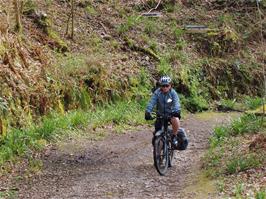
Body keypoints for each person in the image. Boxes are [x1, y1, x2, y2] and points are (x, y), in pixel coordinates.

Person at [145, 76, 186, 149]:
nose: (165, 87)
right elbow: (152, 102)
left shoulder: (173, 93)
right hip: (160, 115)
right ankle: (158, 154)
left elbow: (176, 103)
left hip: (171, 115)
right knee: (156, 136)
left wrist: (176, 111)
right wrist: (148, 111)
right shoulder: (157, 93)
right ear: (160, 86)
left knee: (176, 119)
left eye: (167, 85)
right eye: (163, 86)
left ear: (170, 86)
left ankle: (174, 136)